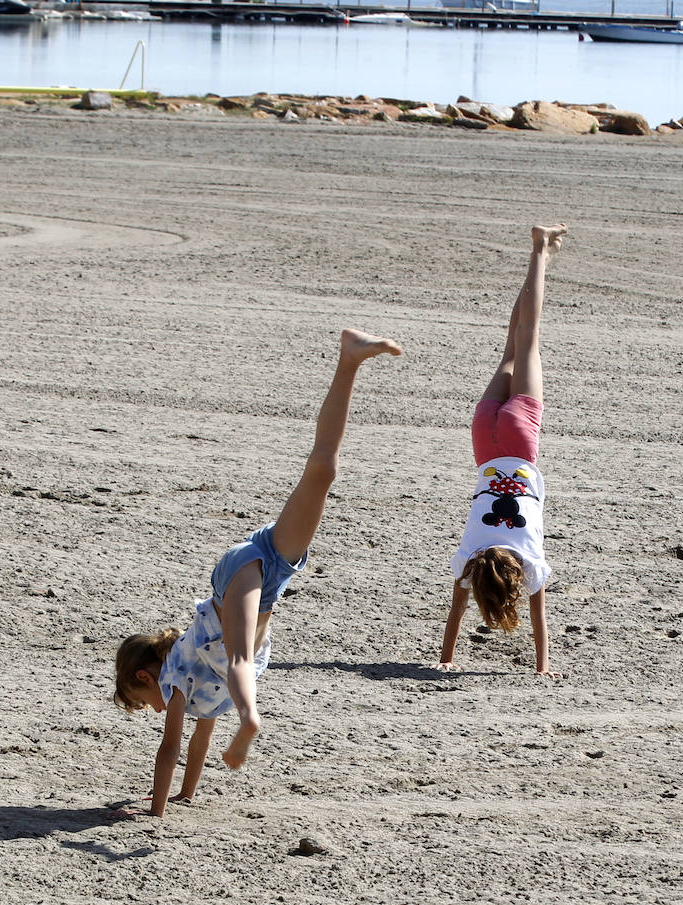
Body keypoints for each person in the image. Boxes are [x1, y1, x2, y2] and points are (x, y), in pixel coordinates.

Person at [114, 329, 402, 816]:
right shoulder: (201, 695)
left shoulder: (177, 678)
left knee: (239, 658)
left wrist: (156, 811)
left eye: (143, 701)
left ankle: (251, 719)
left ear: (146, 676)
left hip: (237, 577)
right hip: (270, 569)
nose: (155, 708)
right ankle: (350, 359)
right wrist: (186, 796)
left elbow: (170, 749)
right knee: (322, 470)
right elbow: (199, 744)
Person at [437, 224, 568, 678]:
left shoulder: (529, 566)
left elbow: (539, 622)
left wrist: (543, 667)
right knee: (512, 346)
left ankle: (539, 249)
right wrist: (445, 657)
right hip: (485, 443)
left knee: (529, 337)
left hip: (519, 441)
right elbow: (453, 617)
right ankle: (543, 256)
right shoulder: (468, 563)